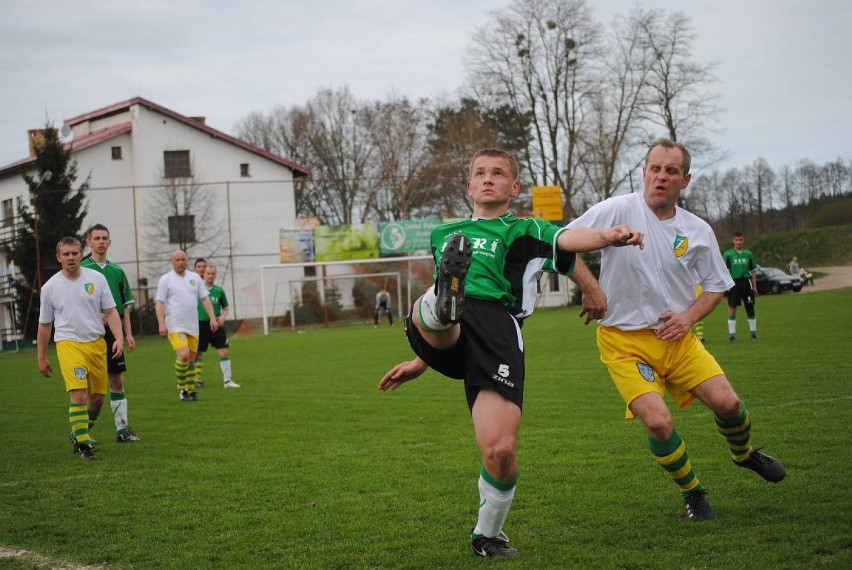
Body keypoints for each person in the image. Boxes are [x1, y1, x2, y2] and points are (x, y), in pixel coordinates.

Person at [378, 148, 644, 558]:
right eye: (480, 173)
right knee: (435, 302)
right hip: (452, 322)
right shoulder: (443, 234)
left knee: (500, 451)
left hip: (499, 332)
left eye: (498, 173)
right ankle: (439, 306)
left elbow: (568, 240)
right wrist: (422, 361)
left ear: (513, 187)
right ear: (469, 185)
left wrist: (609, 237)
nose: (488, 179)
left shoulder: (522, 229)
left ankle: (487, 536)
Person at [567, 138, 786, 522]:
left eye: (671, 171)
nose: (661, 177)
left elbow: (718, 285)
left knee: (730, 405)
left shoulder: (697, 230)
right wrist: (592, 287)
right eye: (655, 168)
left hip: (679, 339)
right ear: (644, 172)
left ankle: (744, 453)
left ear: (685, 180)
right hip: (624, 341)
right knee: (658, 420)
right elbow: (562, 243)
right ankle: (694, 494)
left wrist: (687, 318)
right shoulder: (618, 208)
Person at [37, 237, 124, 460]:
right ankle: (84, 446)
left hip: (96, 343)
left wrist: (119, 338)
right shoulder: (50, 288)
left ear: (81, 254)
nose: (71, 258)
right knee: (78, 393)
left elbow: (112, 311)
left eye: (74, 253)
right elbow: (45, 325)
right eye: (66, 254)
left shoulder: (97, 279)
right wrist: (42, 357)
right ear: (58, 258)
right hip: (68, 344)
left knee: (97, 398)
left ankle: (78, 432)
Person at [80, 224, 141, 443]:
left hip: (112, 334)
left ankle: (122, 431)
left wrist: (128, 334)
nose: (101, 242)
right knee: (90, 390)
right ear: (89, 242)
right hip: (87, 335)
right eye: (97, 238)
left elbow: (124, 307)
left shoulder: (117, 271)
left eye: (105, 238)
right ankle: (81, 432)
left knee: (117, 382)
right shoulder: (81, 268)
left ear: (110, 241)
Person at [155, 251, 218, 402]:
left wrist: (213, 318)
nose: (180, 262)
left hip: (192, 326)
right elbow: (159, 303)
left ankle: (190, 391)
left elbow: (205, 299)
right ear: (172, 261)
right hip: (175, 325)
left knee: (191, 359)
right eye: (177, 259)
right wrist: (161, 323)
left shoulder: (195, 278)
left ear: (187, 260)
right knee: (183, 355)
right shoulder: (166, 280)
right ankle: (181, 389)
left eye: (183, 259)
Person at [195, 264, 240, 388]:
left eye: (213, 274)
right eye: (208, 273)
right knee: (197, 352)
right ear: (203, 274)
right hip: (201, 324)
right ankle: (196, 379)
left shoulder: (219, 290)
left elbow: (225, 308)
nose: (211, 276)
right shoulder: (197, 290)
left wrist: (223, 317)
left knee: (224, 351)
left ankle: (227, 381)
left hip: (216, 325)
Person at [722, 231, 758, 341]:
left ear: (744, 240)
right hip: (733, 284)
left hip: (746, 284)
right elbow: (724, 272)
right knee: (732, 309)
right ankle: (732, 336)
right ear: (733, 241)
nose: (739, 242)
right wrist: (725, 287)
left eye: (741, 240)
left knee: (750, 308)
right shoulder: (728, 254)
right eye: (737, 240)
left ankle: (753, 334)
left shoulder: (748, 254)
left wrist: (755, 287)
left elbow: (753, 272)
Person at [192, 258, 207, 386]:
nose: (202, 268)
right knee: (190, 351)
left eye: (204, 266)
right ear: (195, 268)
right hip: (190, 321)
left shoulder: (207, 284)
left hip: (202, 322)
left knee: (199, 350)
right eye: (199, 266)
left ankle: (196, 378)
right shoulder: (191, 282)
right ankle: (188, 377)